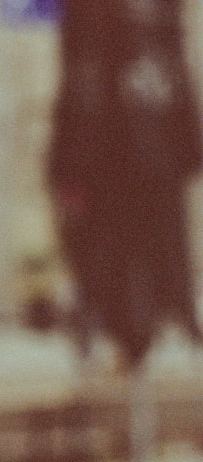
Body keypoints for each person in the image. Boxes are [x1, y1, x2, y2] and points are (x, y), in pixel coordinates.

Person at [47, 0, 203, 369]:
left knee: (149, 227)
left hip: (139, 136)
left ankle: (165, 303)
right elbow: (77, 70)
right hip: (111, 142)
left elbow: (176, 66)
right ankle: (114, 311)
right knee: (112, 236)